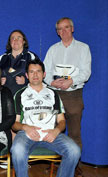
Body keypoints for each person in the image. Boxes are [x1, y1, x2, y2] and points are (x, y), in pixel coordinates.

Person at [11, 59, 81, 177]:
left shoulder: (53, 93)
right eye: (31, 72)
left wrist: (56, 131)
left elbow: (62, 121)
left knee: (74, 151)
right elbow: (14, 124)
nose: (35, 75)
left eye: (38, 71)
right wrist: (26, 127)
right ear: (27, 75)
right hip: (27, 134)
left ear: (44, 74)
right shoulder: (20, 94)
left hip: (50, 133)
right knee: (17, 150)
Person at [43, 17, 91, 150]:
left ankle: (75, 167)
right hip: (54, 95)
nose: (63, 31)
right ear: (57, 32)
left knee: (74, 133)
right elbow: (44, 72)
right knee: (53, 130)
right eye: (60, 29)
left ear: (72, 29)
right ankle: (54, 163)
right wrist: (52, 82)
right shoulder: (52, 49)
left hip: (74, 95)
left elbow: (86, 72)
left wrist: (71, 81)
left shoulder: (83, 48)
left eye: (66, 27)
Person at [0, 29, 39, 95]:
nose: (16, 40)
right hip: (4, 96)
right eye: (13, 38)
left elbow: (39, 75)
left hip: (26, 96)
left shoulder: (31, 57)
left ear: (24, 41)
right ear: (10, 42)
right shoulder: (2, 58)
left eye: (19, 38)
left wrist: (26, 81)